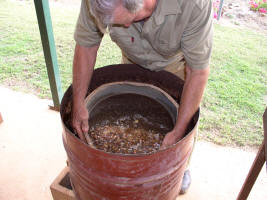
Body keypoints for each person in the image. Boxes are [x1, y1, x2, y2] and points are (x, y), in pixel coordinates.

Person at [71, 0, 213, 194]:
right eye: (118, 23)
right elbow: (86, 45)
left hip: (175, 66)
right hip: (132, 57)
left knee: (181, 125)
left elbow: (197, 72)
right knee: (132, 113)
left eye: (129, 19)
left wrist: (178, 134)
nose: (127, 26)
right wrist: (78, 102)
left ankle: (182, 167)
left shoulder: (193, 4)